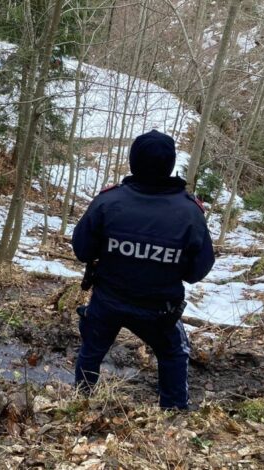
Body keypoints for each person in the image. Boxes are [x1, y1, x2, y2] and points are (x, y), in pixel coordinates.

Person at [71, 130, 215, 411]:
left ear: (133, 161)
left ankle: (79, 404)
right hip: (158, 309)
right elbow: (198, 271)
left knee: (91, 351)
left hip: (108, 301)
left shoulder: (108, 202)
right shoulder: (189, 213)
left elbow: (82, 250)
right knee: (174, 354)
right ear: (170, 164)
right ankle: (173, 417)